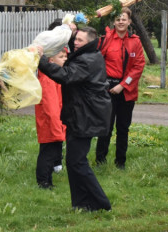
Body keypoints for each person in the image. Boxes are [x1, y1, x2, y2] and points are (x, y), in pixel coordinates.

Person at [37, 26, 112, 212]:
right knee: (73, 161)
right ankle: (81, 203)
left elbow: (65, 75)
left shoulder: (87, 61)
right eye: (75, 39)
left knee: (77, 161)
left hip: (85, 117)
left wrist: (41, 61)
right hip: (78, 115)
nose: (75, 43)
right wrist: (67, 30)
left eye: (79, 40)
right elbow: (71, 47)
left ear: (89, 43)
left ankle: (101, 204)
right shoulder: (87, 54)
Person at [95, 7, 145, 169]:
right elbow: (97, 60)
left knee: (123, 128)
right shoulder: (106, 39)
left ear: (129, 21)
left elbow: (138, 66)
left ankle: (120, 162)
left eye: (124, 19)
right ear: (114, 22)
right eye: (118, 19)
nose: (121, 22)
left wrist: (123, 86)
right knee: (105, 127)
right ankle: (100, 160)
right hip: (107, 89)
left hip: (127, 91)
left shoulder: (135, 41)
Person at [35, 48, 67, 189]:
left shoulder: (50, 77)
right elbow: (51, 106)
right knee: (48, 153)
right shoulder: (48, 79)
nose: (65, 59)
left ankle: (47, 180)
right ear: (51, 61)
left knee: (50, 151)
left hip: (51, 121)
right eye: (61, 57)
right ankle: (44, 182)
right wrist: (57, 126)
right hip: (50, 122)